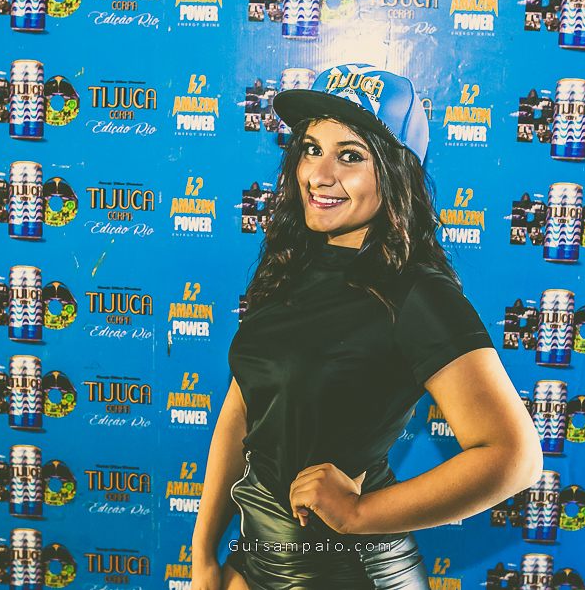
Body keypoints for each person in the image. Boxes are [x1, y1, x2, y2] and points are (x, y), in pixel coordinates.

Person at [192, 64, 543, 590]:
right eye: (311, 149)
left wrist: (358, 513)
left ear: (397, 172)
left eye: (350, 156)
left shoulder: (416, 293)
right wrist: (204, 554)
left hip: (350, 572)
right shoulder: (291, 265)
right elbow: (242, 410)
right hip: (256, 556)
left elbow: (516, 458)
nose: (319, 174)